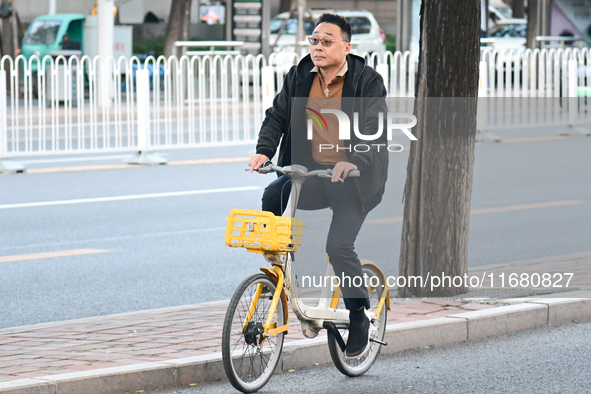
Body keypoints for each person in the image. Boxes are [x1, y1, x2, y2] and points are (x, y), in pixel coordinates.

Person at [249, 13, 388, 358]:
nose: (318, 47)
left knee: (339, 247)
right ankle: (281, 270)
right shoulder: (299, 74)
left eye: (327, 41)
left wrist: (354, 160)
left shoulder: (367, 81)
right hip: (308, 174)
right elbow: (278, 114)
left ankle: (358, 314)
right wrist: (264, 151)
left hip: (352, 178)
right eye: (314, 40)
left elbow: (374, 128)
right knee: (272, 195)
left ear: (346, 46)